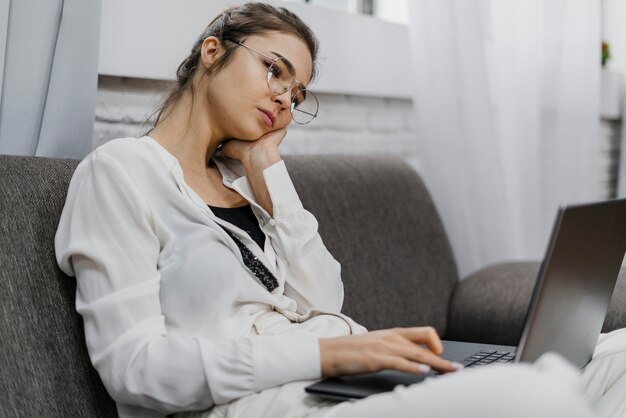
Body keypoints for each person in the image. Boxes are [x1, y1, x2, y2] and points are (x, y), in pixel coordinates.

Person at [55, 3, 626, 417]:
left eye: (296, 94)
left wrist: (268, 172)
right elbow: (135, 372)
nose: (284, 98)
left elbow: (325, 301)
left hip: (342, 386)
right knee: (542, 394)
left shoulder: (244, 184)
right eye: (274, 69)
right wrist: (331, 353)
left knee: (619, 354)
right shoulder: (119, 173)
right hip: (265, 406)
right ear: (212, 52)